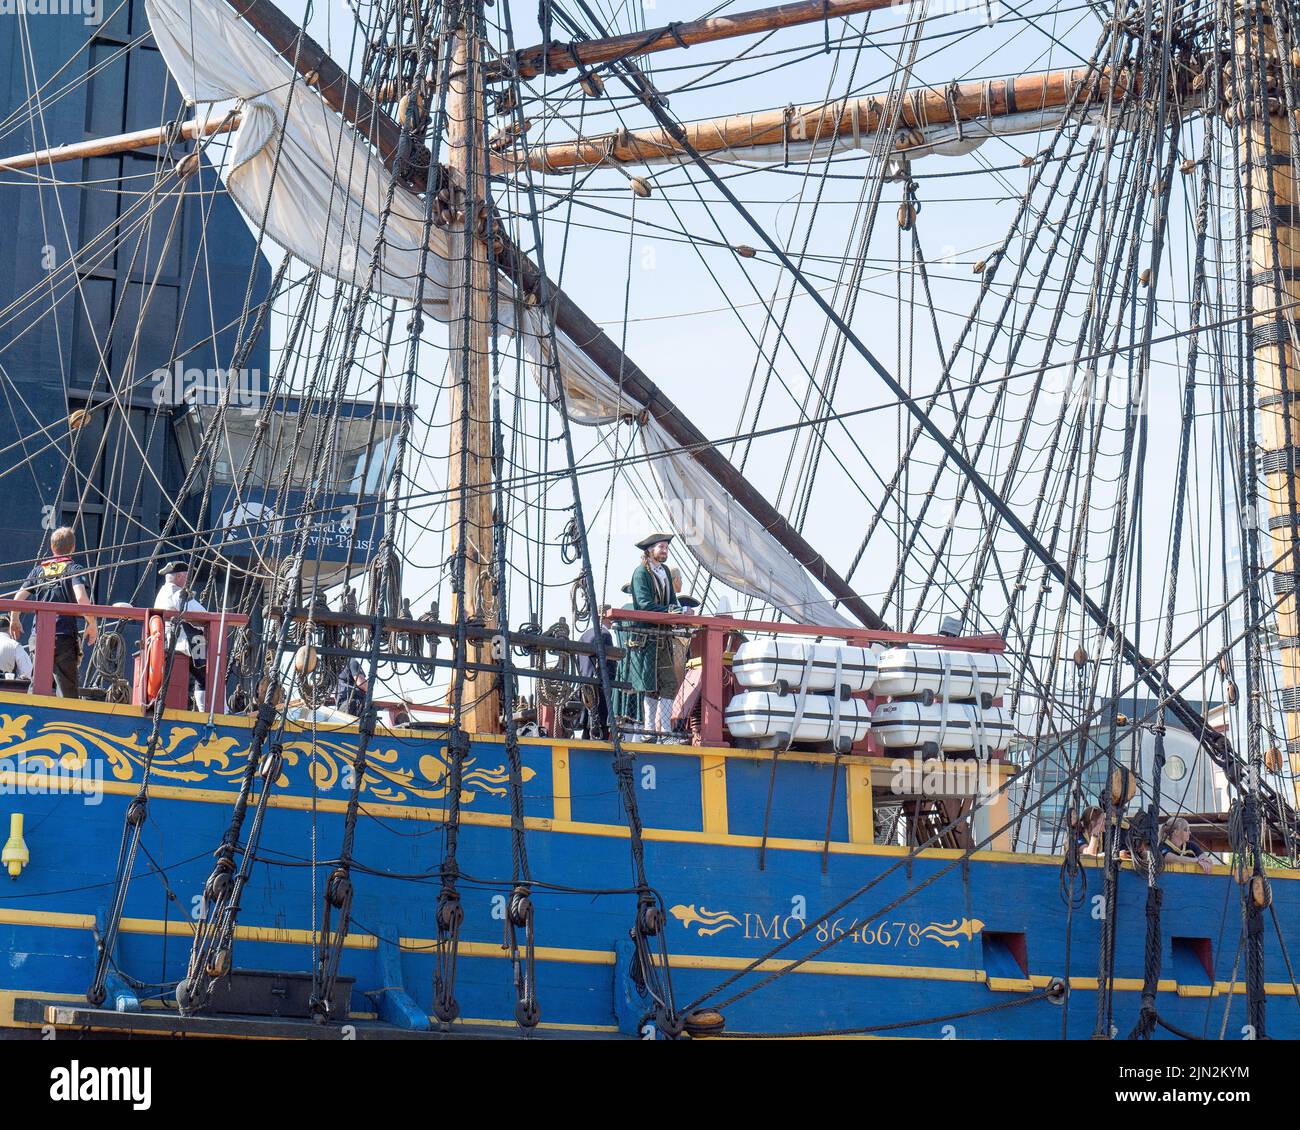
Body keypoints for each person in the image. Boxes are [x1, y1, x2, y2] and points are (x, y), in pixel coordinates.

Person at [9, 526, 97, 698]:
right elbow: (81, 599)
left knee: (37, 685)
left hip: (39, 637)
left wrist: (14, 618)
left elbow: (19, 597)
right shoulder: (74, 569)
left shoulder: (39, 570)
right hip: (63, 637)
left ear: (51, 547)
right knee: (67, 690)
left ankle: (30, 718)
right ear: (73, 548)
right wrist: (92, 624)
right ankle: (66, 721)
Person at [628, 532, 681, 742]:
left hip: (663, 637)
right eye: (661, 547)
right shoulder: (641, 573)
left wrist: (680, 610)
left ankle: (665, 730)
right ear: (650, 550)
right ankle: (650, 731)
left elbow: (673, 600)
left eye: (666, 547)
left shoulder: (665, 571)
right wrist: (671, 611)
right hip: (647, 638)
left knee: (668, 683)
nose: (665, 550)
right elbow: (643, 604)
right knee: (649, 685)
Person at [153, 561, 208, 710]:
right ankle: (210, 711)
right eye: (186, 576)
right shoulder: (177, 593)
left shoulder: (162, 593)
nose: (187, 579)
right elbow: (202, 614)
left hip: (169, 641)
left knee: (201, 676)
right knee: (207, 675)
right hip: (185, 643)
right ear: (179, 576)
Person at [576, 605, 618, 740]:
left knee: (587, 726)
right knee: (601, 726)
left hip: (585, 686)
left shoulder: (584, 635)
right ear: (606, 617)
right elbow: (609, 664)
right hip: (599, 687)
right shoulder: (605, 634)